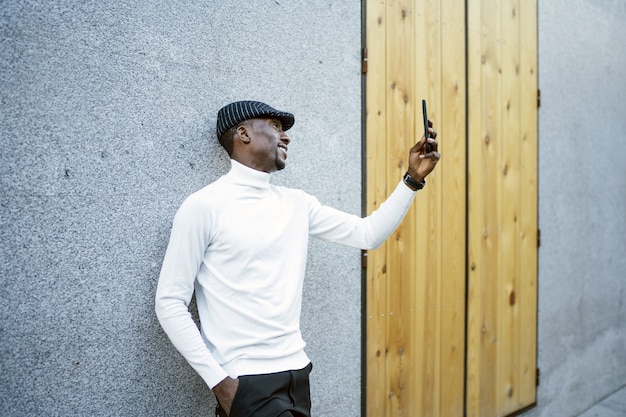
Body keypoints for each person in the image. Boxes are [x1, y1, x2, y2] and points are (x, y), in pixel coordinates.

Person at [155, 100, 440, 417]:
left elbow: (367, 234)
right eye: (275, 127)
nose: (287, 137)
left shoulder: (296, 204)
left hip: (298, 375)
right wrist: (220, 382)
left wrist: (412, 179)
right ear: (243, 133)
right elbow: (169, 301)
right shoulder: (203, 207)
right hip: (246, 382)